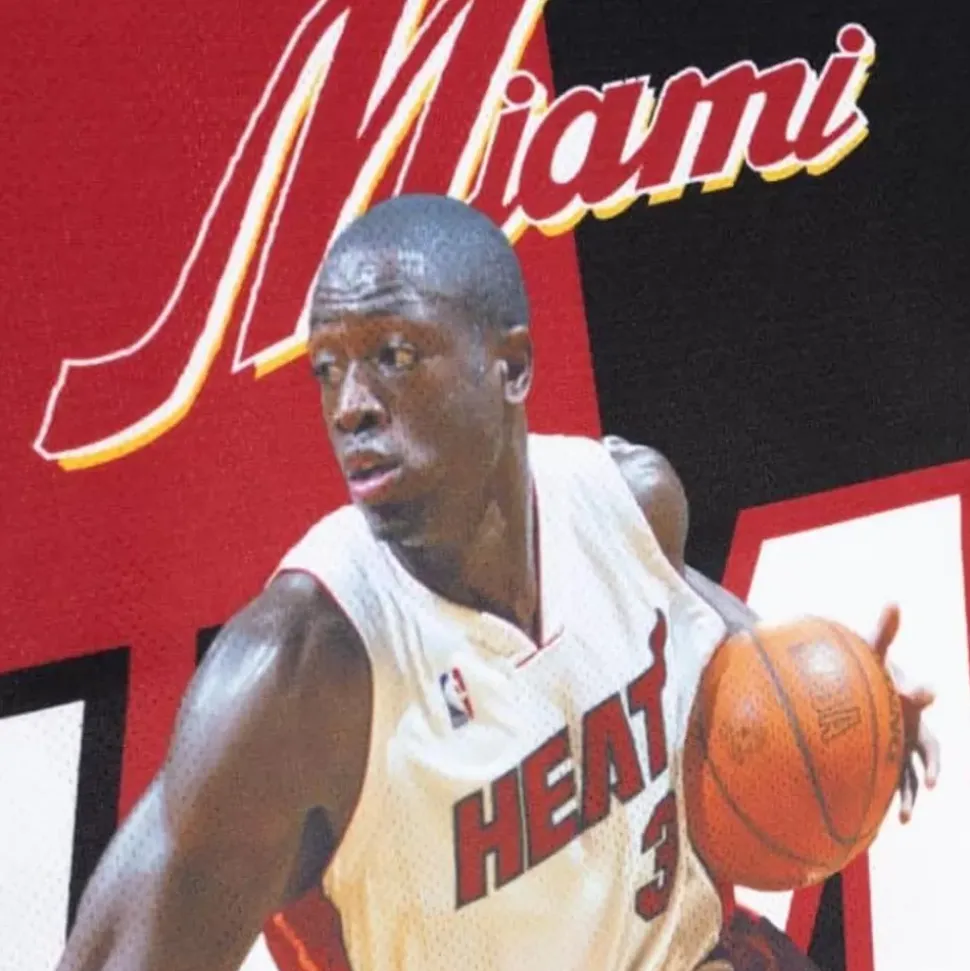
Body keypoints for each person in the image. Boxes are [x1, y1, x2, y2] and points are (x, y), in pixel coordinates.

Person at [56, 194, 939, 971]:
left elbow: (741, 658)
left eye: (394, 354)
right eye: (328, 367)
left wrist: (849, 699)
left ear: (510, 366)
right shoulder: (297, 674)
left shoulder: (628, 505)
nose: (350, 403)